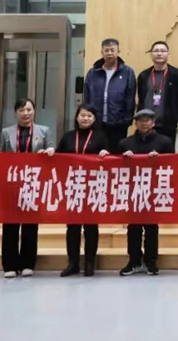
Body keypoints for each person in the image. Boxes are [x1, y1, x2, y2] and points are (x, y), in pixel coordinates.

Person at [0, 98, 53, 278]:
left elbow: (51, 152)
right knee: (10, 225)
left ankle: (27, 264)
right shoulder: (6, 132)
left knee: (30, 226)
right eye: (22, 110)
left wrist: (49, 152)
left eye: (29, 109)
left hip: (32, 184)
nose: (26, 113)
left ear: (34, 111)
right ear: (16, 112)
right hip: (11, 185)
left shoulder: (44, 131)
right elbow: (0, 156)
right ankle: (9, 265)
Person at [118, 110, 174, 276]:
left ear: (153, 122)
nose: (144, 123)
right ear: (135, 123)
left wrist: (161, 158)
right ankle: (134, 260)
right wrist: (123, 158)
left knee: (151, 226)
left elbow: (173, 165)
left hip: (155, 189)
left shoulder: (164, 142)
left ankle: (151, 261)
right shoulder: (125, 143)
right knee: (133, 226)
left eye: (147, 120)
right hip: (132, 190)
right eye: (140, 120)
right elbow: (115, 167)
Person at [57, 104, 110, 277]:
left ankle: (89, 262)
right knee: (72, 227)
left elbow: (110, 159)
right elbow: (57, 157)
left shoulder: (100, 137)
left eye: (89, 116)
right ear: (77, 117)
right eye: (82, 115)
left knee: (91, 226)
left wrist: (106, 153)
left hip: (92, 186)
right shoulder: (68, 136)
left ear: (94, 119)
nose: (85, 118)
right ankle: (73, 263)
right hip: (72, 186)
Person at [82, 38, 136, 154]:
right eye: (106, 50)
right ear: (102, 52)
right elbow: (86, 97)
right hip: (97, 122)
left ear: (118, 51)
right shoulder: (93, 72)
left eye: (112, 50)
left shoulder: (127, 72)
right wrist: (88, 116)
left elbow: (130, 98)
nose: (110, 53)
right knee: (96, 153)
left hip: (118, 123)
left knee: (116, 154)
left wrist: (127, 120)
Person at [136, 40, 178, 143]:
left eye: (163, 51)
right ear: (151, 54)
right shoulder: (144, 75)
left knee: (166, 152)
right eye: (156, 51)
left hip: (168, 125)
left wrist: (174, 118)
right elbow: (141, 98)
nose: (159, 54)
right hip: (146, 124)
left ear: (168, 53)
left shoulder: (177, 75)